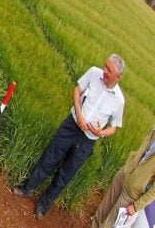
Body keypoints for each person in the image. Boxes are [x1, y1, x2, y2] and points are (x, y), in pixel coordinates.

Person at [15, 56, 126, 219]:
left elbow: (114, 128)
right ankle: (27, 188)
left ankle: (43, 206)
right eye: (105, 66)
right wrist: (80, 115)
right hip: (72, 126)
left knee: (66, 174)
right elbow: (77, 90)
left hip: (87, 141)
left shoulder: (119, 100)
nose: (105, 71)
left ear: (118, 77)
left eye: (109, 70)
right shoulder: (94, 73)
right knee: (49, 158)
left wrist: (100, 133)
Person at [56, 125, 155, 228]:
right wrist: (127, 166)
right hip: (123, 177)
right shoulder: (153, 129)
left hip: (131, 195)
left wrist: (136, 206)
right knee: (99, 216)